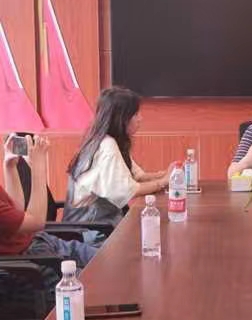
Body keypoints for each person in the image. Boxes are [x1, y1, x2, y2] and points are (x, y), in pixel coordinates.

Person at [1, 134, 97, 301]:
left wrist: (9, 166)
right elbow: (36, 222)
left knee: (110, 260)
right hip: (30, 263)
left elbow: (17, 212)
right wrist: (38, 166)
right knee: (103, 284)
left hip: (39, 243)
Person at [64, 87, 174, 228]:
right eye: (135, 114)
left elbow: (138, 176)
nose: (140, 119)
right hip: (89, 229)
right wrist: (163, 181)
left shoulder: (107, 140)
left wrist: (165, 174)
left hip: (101, 222)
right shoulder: (107, 145)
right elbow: (129, 191)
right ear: (121, 118)